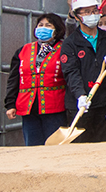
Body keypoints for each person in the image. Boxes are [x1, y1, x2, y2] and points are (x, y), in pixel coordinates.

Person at [60, 0, 106, 143]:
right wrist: (80, 95)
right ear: (76, 15)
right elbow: (71, 72)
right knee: (81, 147)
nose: (92, 15)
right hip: (80, 105)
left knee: (104, 145)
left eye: (94, 11)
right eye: (86, 12)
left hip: (104, 102)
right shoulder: (70, 43)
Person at [4, 13, 68, 145]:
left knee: (55, 146)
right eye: (40, 25)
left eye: (48, 25)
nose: (43, 28)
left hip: (55, 107)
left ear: (57, 29)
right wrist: (10, 104)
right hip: (29, 107)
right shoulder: (23, 50)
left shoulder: (65, 49)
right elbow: (14, 79)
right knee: (32, 146)